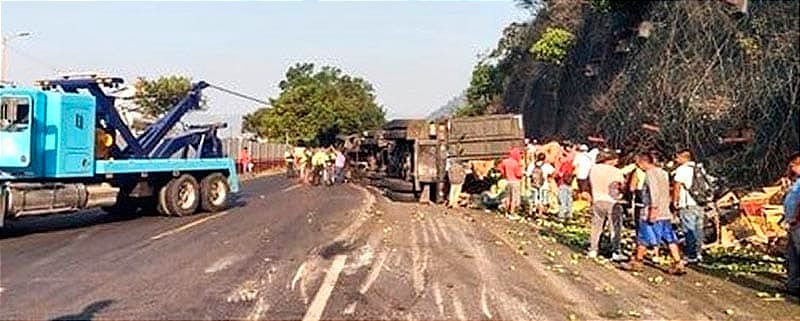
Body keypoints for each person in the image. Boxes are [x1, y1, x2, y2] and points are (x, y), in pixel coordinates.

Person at [623, 153, 685, 275]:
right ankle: (678, 262)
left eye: (638, 163)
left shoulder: (650, 174)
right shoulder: (663, 173)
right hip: (664, 212)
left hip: (652, 211)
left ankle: (637, 261)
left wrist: (653, 209)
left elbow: (653, 192)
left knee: (643, 237)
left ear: (643, 162)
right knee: (669, 238)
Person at [587, 150, 627, 261]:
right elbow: (622, 186)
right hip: (612, 201)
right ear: (610, 160)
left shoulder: (594, 169)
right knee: (615, 227)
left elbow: (589, 183)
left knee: (596, 226)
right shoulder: (616, 171)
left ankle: (593, 249)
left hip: (597, 199)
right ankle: (616, 251)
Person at [672, 149, 705, 264]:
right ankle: (699, 253)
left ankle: (691, 254)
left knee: (688, 229)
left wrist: (675, 201)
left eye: (677, 157)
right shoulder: (699, 168)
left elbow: (677, 186)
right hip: (700, 202)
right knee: (698, 229)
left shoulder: (682, 170)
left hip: (687, 203)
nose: (676, 160)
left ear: (683, 158)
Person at [782, 153, 800, 297]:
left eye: (793, 165)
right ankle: (792, 285)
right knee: (792, 255)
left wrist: (794, 218)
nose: (791, 168)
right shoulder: (796, 182)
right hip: (793, 223)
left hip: (797, 222)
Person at [498, 147, 524, 214]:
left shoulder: (505, 161)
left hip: (507, 181)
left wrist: (504, 175)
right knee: (514, 197)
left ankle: (506, 211)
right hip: (515, 181)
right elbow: (518, 174)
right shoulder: (516, 163)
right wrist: (522, 174)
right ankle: (512, 212)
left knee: (508, 196)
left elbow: (499, 168)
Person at [556, 154, 575, 221]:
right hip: (569, 184)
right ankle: (569, 215)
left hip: (562, 184)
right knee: (569, 200)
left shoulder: (564, 165)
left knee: (562, 200)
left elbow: (560, 174)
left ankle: (561, 216)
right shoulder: (571, 165)